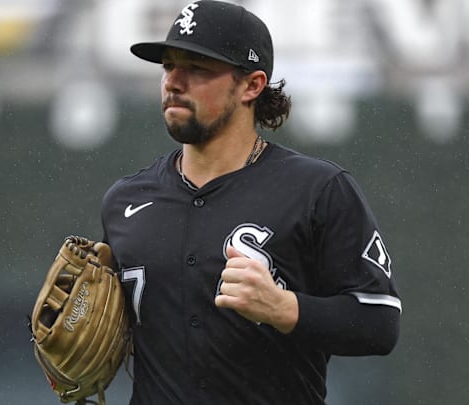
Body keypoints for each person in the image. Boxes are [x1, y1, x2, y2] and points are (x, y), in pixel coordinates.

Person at [100, 1, 402, 403]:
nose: (174, 81)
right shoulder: (125, 201)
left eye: (197, 68)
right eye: (168, 66)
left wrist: (284, 308)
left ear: (252, 85)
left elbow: (379, 322)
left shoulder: (318, 190)